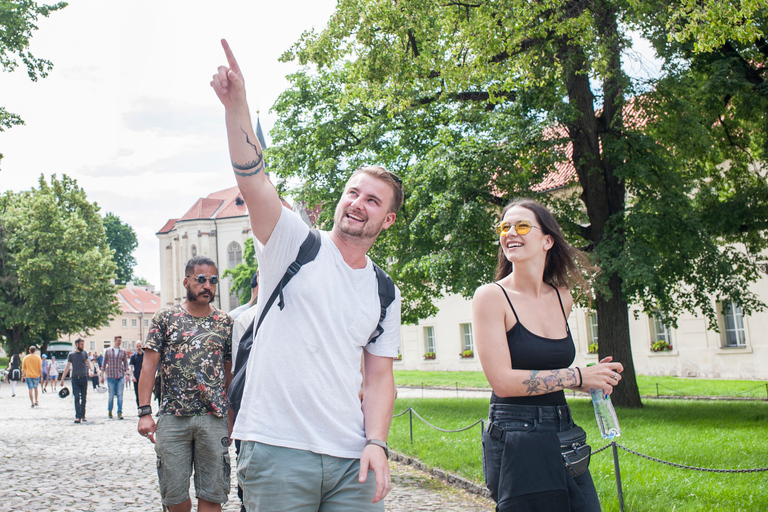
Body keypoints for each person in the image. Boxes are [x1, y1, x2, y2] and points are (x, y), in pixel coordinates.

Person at [211, 39, 403, 511]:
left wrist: (376, 442)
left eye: (372, 200)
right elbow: (254, 178)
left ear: (388, 220)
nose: (358, 204)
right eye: (353, 193)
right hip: (277, 448)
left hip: (351, 458)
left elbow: (379, 378)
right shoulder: (293, 242)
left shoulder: (384, 290)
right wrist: (237, 106)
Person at [472, 198, 624, 511]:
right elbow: (502, 382)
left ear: (547, 240)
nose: (510, 232)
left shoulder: (562, 296)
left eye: (522, 225)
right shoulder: (491, 297)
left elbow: (547, 366)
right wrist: (578, 376)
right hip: (516, 435)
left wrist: (590, 380)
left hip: (564, 429)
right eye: (505, 226)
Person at [137, 255, 233, 512]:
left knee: (213, 496)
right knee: (174, 496)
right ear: (186, 282)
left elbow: (229, 374)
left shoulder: (225, 322)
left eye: (213, 280)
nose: (208, 286)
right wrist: (145, 412)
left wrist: (231, 417)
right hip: (172, 418)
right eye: (201, 279)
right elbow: (148, 367)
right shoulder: (165, 318)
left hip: (213, 419)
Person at [60, 338, 95, 423]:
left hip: (84, 378)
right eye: (81, 344)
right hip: (75, 378)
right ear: (77, 345)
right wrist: (62, 378)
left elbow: (89, 363)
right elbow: (67, 366)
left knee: (84, 397)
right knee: (76, 397)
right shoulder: (71, 355)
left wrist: (92, 370)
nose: (83, 346)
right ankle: (78, 416)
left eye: (83, 344)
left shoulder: (84, 353)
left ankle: (83, 415)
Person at [101, 335, 131, 419]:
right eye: (118, 341)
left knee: (120, 395)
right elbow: (103, 364)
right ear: (114, 341)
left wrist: (127, 374)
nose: (119, 342)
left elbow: (125, 363)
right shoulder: (108, 351)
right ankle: (110, 410)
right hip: (110, 376)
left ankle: (119, 412)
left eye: (120, 341)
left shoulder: (123, 351)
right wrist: (102, 375)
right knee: (111, 395)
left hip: (120, 375)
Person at [129, 341, 144, 406]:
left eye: (140, 346)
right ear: (135, 346)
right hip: (137, 377)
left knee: (145, 393)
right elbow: (131, 367)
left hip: (144, 377)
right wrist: (132, 376)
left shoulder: (145, 355)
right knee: (137, 394)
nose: (139, 348)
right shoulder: (133, 356)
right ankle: (139, 407)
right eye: (137, 346)